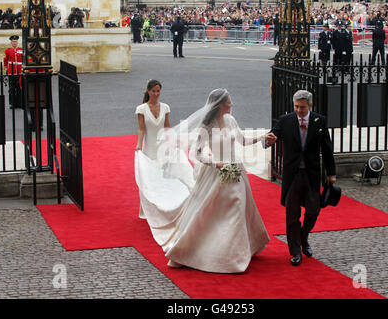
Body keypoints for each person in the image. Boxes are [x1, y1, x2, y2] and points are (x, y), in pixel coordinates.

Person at [134, 88, 270, 273]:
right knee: (209, 212)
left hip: (236, 171)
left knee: (239, 207)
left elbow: (242, 140)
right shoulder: (206, 126)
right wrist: (217, 164)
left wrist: (263, 137)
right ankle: (212, 251)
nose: (232, 104)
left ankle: (237, 252)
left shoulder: (230, 120)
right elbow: (197, 153)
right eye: (229, 102)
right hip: (217, 171)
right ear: (220, 105)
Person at [264, 90, 336, 266]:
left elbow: (327, 149)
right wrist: (269, 140)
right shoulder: (285, 120)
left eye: (302, 107)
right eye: (296, 106)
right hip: (292, 175)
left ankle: (303, 237)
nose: (298, 110)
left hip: (311, 174)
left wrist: (331, 173)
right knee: (292, 215)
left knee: (314, 210)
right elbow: (272, 136)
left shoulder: (320, 121)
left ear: (310, 106)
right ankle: (295, 251)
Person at [4, 35, 23, 109]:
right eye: (13, 42)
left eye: (15, 42)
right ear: (11, 43)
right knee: (12, 88)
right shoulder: (8, 50)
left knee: (19, 87)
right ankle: (12, 103)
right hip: (11, 71)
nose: (14, 43)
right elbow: (6, 59)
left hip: (19, 71)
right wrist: (6, 67)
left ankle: (20, 102)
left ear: (17, 42)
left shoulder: (21, 50)